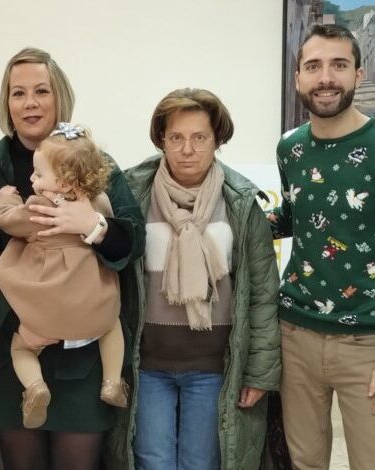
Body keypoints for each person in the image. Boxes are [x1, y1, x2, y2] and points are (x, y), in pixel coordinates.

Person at [0, 47, 145, 470]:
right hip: (15, 352)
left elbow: (132, 242)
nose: (30, 103)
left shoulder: (95, 164)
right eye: (18, 93)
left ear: (59, 96)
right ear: (6, 103)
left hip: (84, 356)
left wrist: (92, 225)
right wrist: (22, 322)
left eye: (41, 90)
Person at [123, 88, 280, 470]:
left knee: (201, 462)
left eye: (199, 138)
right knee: (152, 462)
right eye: (176, 137)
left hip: (214, 368)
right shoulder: (132, 194)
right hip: (148, 366)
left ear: (217, 140)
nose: (187, 149)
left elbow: (262, 294)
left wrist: (258, 373)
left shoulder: (240, 203)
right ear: (162, 138)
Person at [269, 24, 375, 470]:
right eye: (313, 66)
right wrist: (228, 215)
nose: (325, 77)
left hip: (366, 341)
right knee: (305, 462)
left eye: (338, 65)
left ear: (359, 74)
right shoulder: (290, 149)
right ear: (298, 78)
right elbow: (292, 218)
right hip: (297, 333)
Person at [0, 123, 127, 430]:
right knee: (111, 322)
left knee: (21, 347)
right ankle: (112, 381)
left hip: (48, 307)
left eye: (38, 174)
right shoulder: (99, 203)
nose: (31, 178)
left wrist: (4, 199)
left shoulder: (38, 207)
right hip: (90, 302)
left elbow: (6, 221)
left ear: (63, 183)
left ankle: (35, 387)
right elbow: (113, 227)